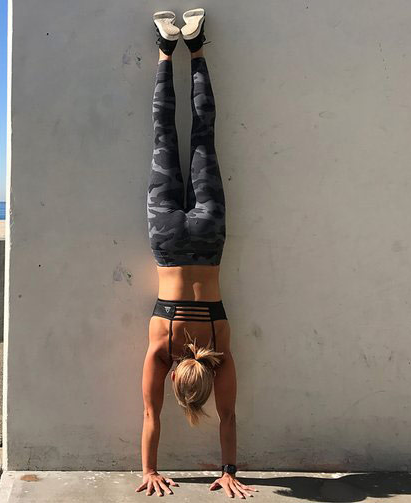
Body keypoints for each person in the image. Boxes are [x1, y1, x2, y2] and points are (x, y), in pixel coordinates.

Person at [136, 8, 257, 499]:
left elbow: (228, 417)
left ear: (206, 379)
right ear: (177, 381)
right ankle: (167, 50)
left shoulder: (219, 352)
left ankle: (197, 44)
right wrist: (148, 469)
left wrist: (230, 467)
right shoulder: (163, 350)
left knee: (203, 135)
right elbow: (149, 415)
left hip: (207, 238)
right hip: (167, 238)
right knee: (165, 135)